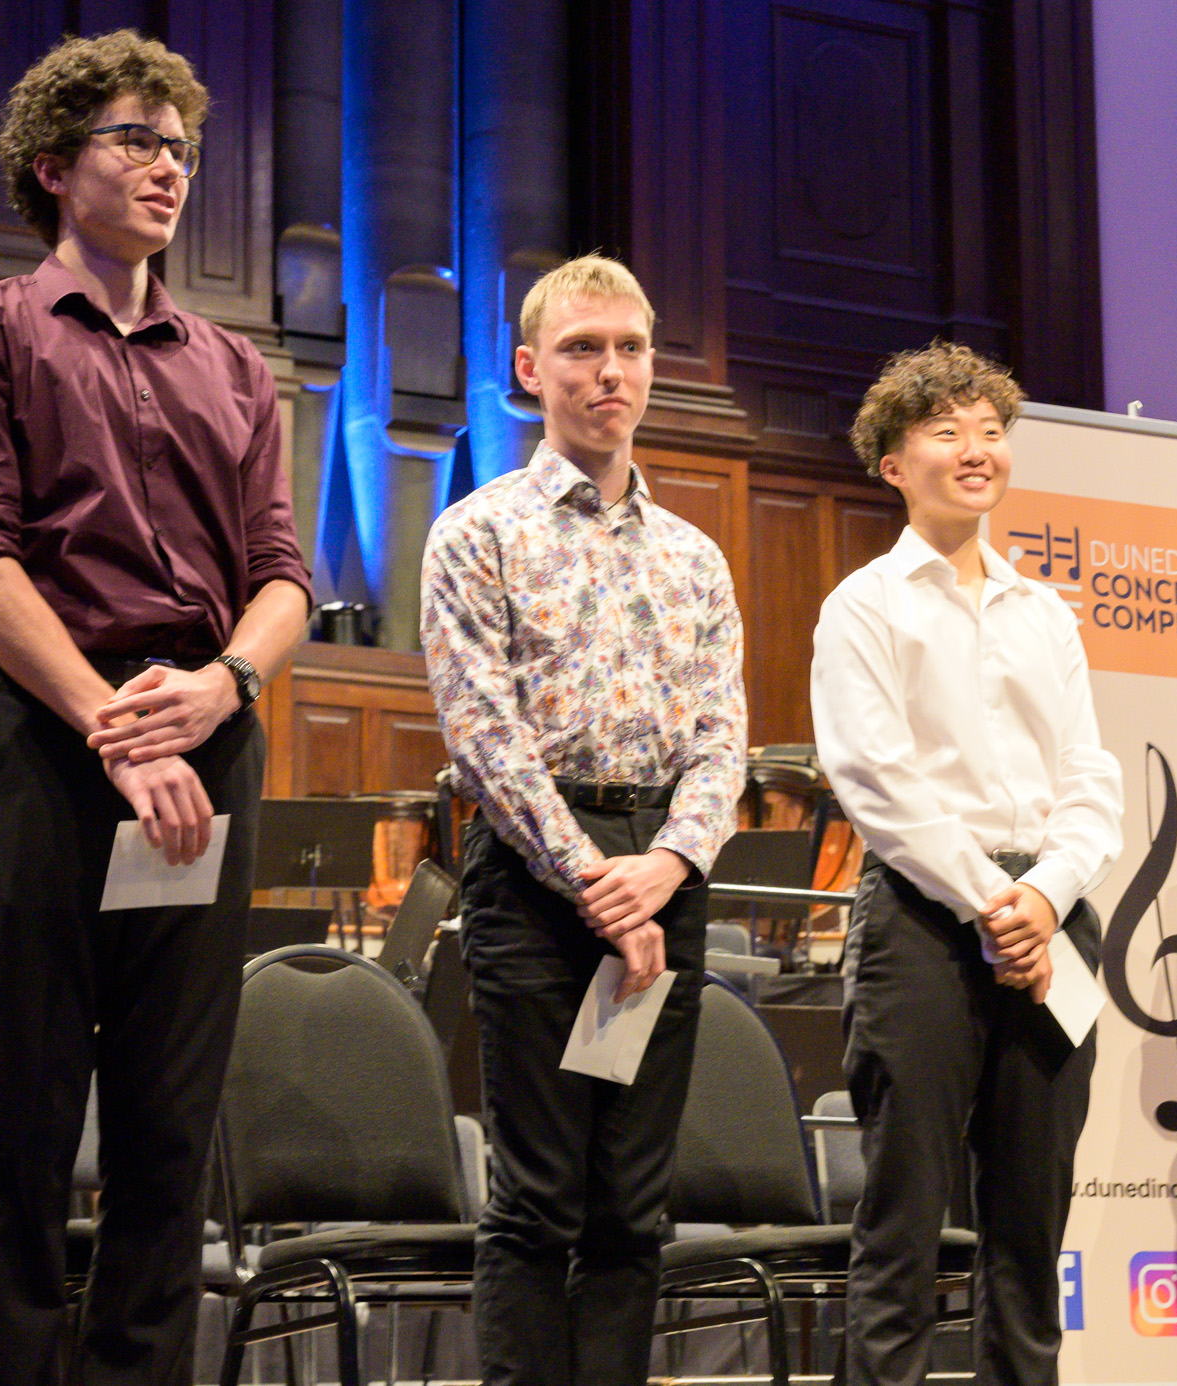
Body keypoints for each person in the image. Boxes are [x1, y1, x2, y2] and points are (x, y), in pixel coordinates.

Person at [0, 31, 311, 1385]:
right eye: (135, 139)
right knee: (18, 1127)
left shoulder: (238, 368)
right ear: (52, 165)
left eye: (180, 146)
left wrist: (222, 685)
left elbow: (283, 578)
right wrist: (110, 724)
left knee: (168, 1125)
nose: (167, 167)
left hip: (207, 740)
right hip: (49, 742)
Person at [419, 253, 747, 1386]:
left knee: (630, 1208)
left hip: (662, 883)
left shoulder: (694, 558)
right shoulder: (477, 533)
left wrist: (662, 867)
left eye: (629, 348)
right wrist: (593, 880)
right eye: (580, 348)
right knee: (539, 1199)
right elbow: (481, 737)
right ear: (528, 369)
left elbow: (720, 742)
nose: (610, 371)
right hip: (533, 881)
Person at [810, 341, 1125, 1386]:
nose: (975, 449)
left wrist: (1042, 896)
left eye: (990, 431)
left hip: (1048, 919)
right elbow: (874, 779)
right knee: (901, 1224)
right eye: (946, 431)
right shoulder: (863, 605)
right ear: (892, 463)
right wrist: (998, 906)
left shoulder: (1046, 613)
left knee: (1031, 1234)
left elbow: (1089, 778)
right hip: (921, 923)